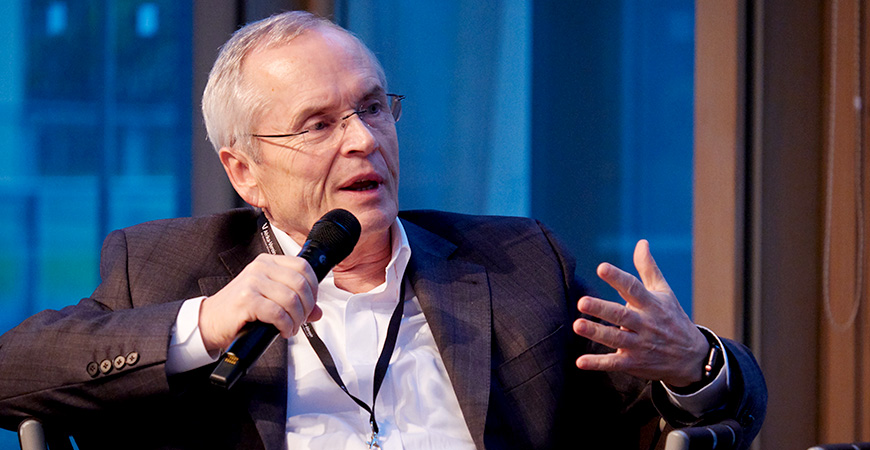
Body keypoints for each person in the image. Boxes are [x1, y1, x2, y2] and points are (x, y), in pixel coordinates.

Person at [0, 10, 766, 450]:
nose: (364, 140)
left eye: (371, 108)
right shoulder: (167, 267)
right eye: (319, 124)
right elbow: (13, 375)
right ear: (244, 172)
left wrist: (694, 364)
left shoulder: (513, 261)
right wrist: (206, 323)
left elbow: (714, 410)